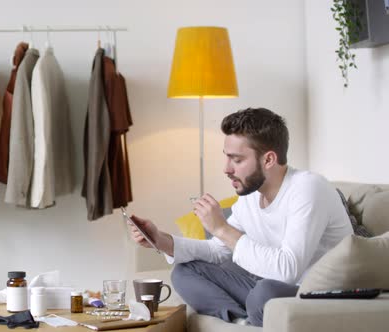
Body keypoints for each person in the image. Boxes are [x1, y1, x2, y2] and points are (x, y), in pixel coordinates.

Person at [128, 107, 353, 327]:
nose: (227, 169)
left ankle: (253, 312)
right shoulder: (250, 196)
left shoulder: (308, 188)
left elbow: (287, 270)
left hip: (319, 293)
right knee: (184, 271)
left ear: (268, 160)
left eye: (237, 160)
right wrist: (161, 240)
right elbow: (218, 251)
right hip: (269, 289)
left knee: (265, 291)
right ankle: (243, 320)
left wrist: (222, 228)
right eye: (227, 158)